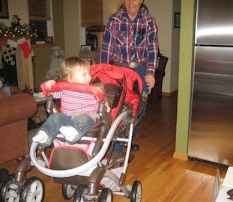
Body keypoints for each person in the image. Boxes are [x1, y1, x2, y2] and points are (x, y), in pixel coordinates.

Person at [100, 0, 159, 151]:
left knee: (140, 108)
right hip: (119, 69)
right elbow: (106, 48)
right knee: (119, 107)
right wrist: (103, 72)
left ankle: (128, 138)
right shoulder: (115, 19)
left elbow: (152, 50)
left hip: (140, 70)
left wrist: (150, 72)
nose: (130, 2)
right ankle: (118, 147)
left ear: (141, 0)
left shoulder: (149, 21)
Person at [33, 56, 110, 146]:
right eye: (84, 74)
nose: (89, 77)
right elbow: (49, 92)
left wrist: (106, 105)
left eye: (88, 73)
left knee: (84, 118)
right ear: (69, 77)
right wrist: (48, 84)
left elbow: (102, 99)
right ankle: (45, 134)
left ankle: (73, 132)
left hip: (87, 117)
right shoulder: (64, 89)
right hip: (67, 117)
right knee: (56, 117)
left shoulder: (92, 90)